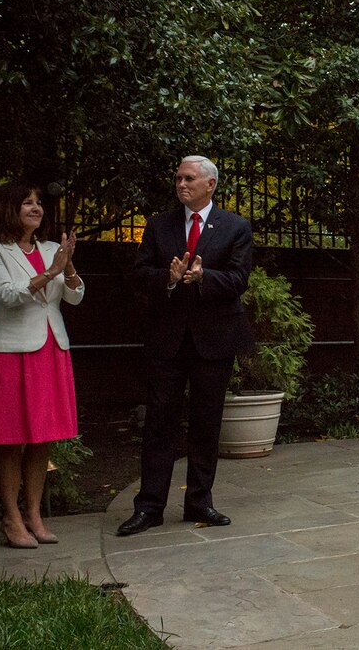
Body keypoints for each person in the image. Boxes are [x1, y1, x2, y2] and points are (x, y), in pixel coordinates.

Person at [117, 156, 254, 536]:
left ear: (210, 184)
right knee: (159, 423)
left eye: (189, 178)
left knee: (206, 423)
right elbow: (141, 274)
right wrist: (170, 278)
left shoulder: (235, 227)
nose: (181, 184)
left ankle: (199, 501)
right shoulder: (160, 224)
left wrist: (203, 276)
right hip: (168, 339)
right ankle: (149, 507)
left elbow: (238, 279)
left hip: (214, 340)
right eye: (178, 177)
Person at [0, 183, 83, 548]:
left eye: (38, 203)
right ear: (9, 209)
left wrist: (70, 269)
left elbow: (75, 297)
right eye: (27, 203)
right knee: (11, 439)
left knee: (42, 438)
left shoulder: (52, 248)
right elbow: (6, 295)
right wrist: (51, 273)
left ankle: (34, 514)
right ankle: (11, 517)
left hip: (51, 347)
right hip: (10, 352)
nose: (36, 208)